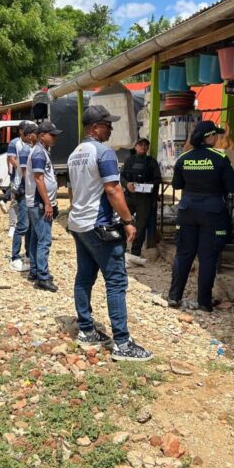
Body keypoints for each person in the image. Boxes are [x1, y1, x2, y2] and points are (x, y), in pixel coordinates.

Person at [67, 106, 154, 362]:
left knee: (84, 277)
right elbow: (113, 190)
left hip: (79, 223)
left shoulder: (75, 153)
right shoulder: (104, 153)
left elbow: (73, 191)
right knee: (116, 281)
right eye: (107, 124)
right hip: (99, 224)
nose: (111, 128)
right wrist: (128, 220)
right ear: (94, 127)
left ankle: (86, 330)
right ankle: (122, 343)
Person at [166, 120, 234, 312]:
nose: (217, 138)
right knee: (208, 257)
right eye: (216, 135)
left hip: (187, 211)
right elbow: (233, 187)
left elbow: (177, 185)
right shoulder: (220, 157)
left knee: (183, 254)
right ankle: (204, 303)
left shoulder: (184, 158)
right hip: (212, 213)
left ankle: (174, 297)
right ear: (210, 137)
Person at [26, 121, 61, 291]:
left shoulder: (41, 151)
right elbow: (39, 179)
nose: (55, 138)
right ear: (42, 136)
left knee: (36, 238)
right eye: (51, 135)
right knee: (44, 240)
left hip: (37, 202)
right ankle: (43, 277)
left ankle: (35, 270)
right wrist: (48, 203)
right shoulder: (39, 153)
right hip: (39, 203)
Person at [121, 138, 161, 265]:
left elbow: (157, 179)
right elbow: (121, 176)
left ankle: (135, 253)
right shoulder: (129, 160)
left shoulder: (151, 162)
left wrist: (146, 186)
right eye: (140, 144)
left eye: (145, 145)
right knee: (122, 222)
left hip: (144, 198)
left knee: (141, 226)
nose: (143, 147)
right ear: (135, 146)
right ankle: (120, 250)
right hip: (129, 196)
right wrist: (127, 184)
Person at [9, 123, 37, 272]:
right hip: (24, 191)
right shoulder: (26, 150)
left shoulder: (32, 149)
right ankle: (14, 257)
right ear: (30, 135)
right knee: (23, 226)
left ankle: (28, 255)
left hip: (29, 192)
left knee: (30, 226)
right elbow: (26, 174)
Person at [0, 121, 29, 214]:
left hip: (26, 175)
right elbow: (11, 159)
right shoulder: (14, 142)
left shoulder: (30, 143)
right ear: (20, 131)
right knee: (15, 198)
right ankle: (13, 221)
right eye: (26, 129)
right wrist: (21, 170)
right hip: (17, 174)